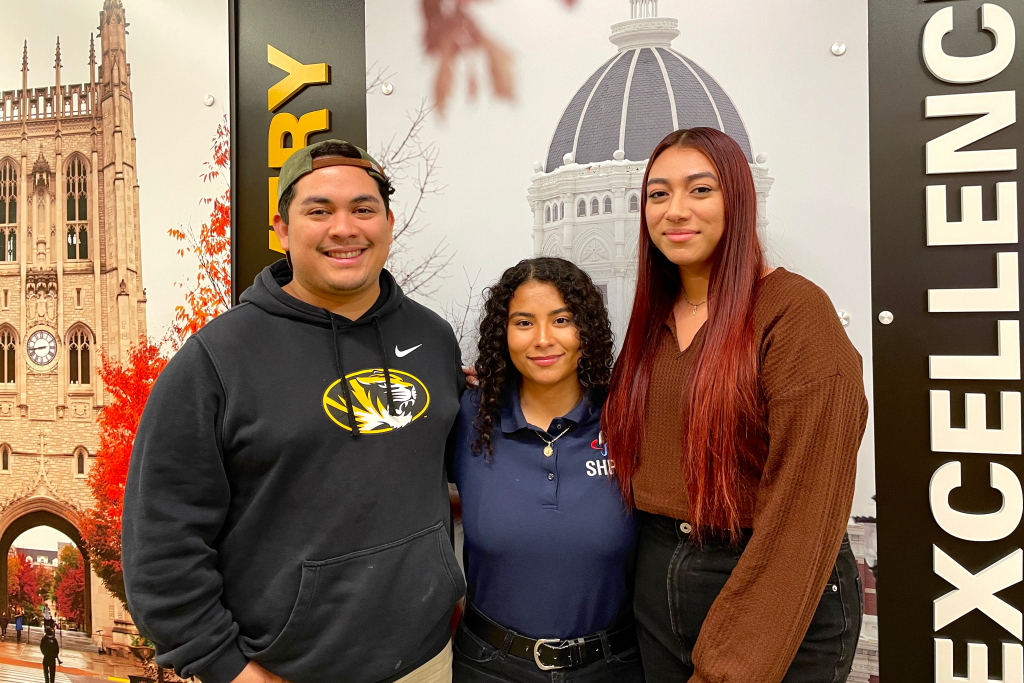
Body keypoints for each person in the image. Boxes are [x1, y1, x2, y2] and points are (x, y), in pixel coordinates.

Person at [122, 139, 467, 683]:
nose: (344, 228)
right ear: (281, 230)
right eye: (319, 211)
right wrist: (227, 668)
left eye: (363, 208)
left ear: (388, 221)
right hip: (284, 671)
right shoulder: (217, 361)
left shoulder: (433, 338)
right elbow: (161, 546)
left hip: (427, 662)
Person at [603, 127, 868, 683]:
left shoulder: (794, 313)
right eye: (658, 194)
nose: (675, 211)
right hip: (660, 583)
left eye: (700, 190)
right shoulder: (652, 322)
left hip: (774, 583)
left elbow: (804, 509)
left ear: (739, 201)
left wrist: (736, 665)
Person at [451, 258, 643, 682]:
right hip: (489, 666)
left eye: (562, 320)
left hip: (612, 666)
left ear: (586, 330)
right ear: (503, 334)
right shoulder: (468, 416)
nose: (542, 339)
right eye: (523, 322)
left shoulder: (628, 418)